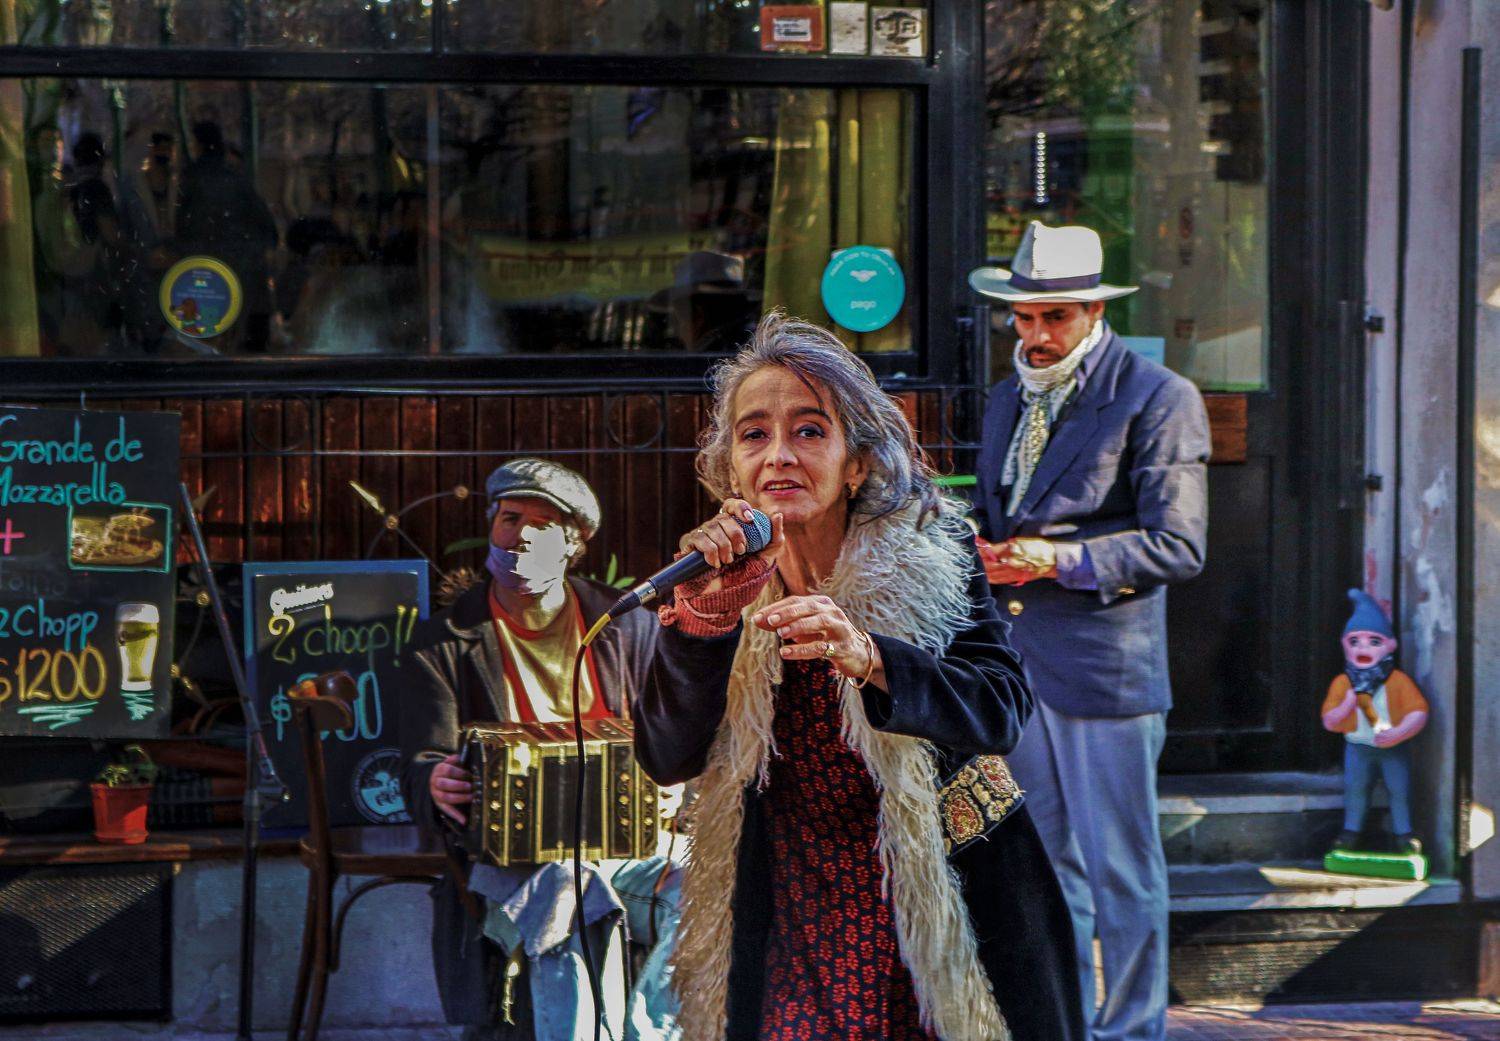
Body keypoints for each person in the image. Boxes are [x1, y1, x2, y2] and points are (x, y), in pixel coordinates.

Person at [633, 311, 1084, 1041]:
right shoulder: (718, 579)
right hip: (790, 914)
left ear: (857, 464)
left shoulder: (932, 557)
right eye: (754, 435)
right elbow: (666, 756)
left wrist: (872, 656)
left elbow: (1001, 708)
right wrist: (703, 628)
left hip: (942, 905)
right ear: (732, 467)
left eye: (810, 431)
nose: (779, 455)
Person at [967, 221, 1210, 1041]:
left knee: (1121, 873)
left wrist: (1056, 559)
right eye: (1023, 316)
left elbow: (1179, 544)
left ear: (1096, 310)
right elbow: (998, 508)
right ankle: (1062, 1023)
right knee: (1044, 868)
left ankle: (1134, 1030)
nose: (1035, 334)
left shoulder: (1158, 395)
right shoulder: (1007, 396)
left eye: (1055, 317)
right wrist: (975, 542)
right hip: (1020, 667)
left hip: (1106, 671)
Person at [397, 459, 672, 1041]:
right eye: (510, 518)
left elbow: (669, 735)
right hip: (508, 861)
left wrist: (670, 784)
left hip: (625, 847)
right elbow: (421, 762)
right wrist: (435, 782)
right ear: (491, 526)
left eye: (542, 525)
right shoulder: (441, 641)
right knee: (567, 888)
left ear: (575, 543)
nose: (520, 535)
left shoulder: (626, 623)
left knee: (699, 885)